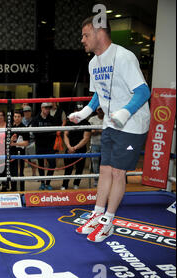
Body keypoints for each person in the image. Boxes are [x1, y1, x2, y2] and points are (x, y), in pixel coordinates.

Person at [69, 16, 151, 243]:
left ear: (99, 33)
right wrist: (85, 112)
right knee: (104, 170)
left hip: (132, 125)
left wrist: (125, 112)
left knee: (117, 172)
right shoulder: (93, 63)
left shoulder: (124, 57)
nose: (82, 40)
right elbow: (99, 94)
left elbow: (144, 91)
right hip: (110, 123)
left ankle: (109, 221)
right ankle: (96, 214)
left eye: (86, 35)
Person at [30, 103, 61, 190]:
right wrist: (46, 134)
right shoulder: (36, 119)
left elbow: (54, 132)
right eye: (46, 108)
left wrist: (45, 134)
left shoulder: (52, 119)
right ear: (42, 108)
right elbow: (34, 133)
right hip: (40, 145)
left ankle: (48, 183)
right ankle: (42, 183)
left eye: (49, 108)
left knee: (52, 164)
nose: (47, 110)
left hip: (50, 145)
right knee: (41, 165)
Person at [61, 105, 91, 190]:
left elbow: (86, 138)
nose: (78, 112)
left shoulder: (86, 123)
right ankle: (64, 185)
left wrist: (75, 148)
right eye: (76, 110)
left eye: (80, 111)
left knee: (79, 168)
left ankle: (76, 184)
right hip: (69, 148)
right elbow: (65, 135)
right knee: (68, 168)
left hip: (80, 149)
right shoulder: (69, 122)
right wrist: (69, 147)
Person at [9, 111, 30, 191]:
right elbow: (7, 141)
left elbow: (26, 143)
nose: (16, 118)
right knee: (12, 171)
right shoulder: (10, 127)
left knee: (20, 172)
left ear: (21, 117)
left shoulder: (24, 128)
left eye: (18, 116)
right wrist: (11, 140)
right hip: (11, 152)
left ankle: (21, 190)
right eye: (15, 116)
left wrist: (15, 143)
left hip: (20, 153)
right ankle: (13, 188)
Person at [88, 107, 104, 187]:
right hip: (94, 144)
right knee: (95, 163)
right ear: (96, 110)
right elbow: (89, 132)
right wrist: (100, 130)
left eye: (102, 109)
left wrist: (96, 130)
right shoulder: (92, 119)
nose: (100, 111)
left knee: (105, 163)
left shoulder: (108, 118)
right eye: (99, 110)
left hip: (106, 145)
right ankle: (96, 180)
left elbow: (108, 131)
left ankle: (104, 180)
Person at [21, 104, 38, 178]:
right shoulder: (21, 120)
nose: (27, 113)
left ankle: (34, 174)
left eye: (28, 111)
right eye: (25, 111)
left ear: (31, 112)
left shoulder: (34, 121)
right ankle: (21, 174)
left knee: (33, 159)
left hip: (32, 142)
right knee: (20, 159)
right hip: (22, 142)